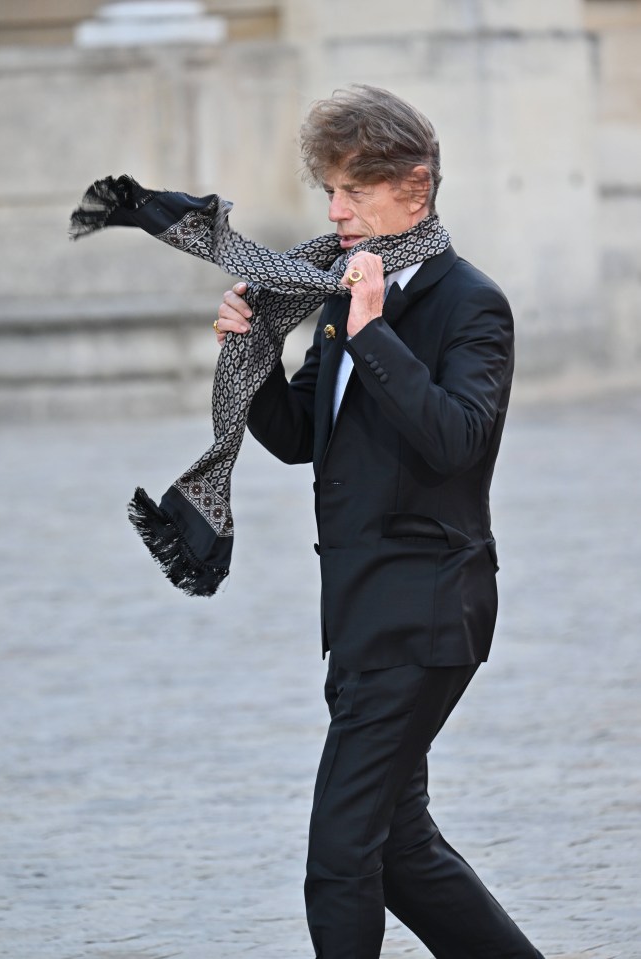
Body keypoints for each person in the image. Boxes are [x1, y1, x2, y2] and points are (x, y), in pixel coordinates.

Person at [215, 85, 544, 959]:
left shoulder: (471, 304)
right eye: (329, 190)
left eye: (355, 189)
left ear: (417, 186)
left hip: (429, 610)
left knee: (340, 856)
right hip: (360, 614)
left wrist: (372, 333)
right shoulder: (343, 293)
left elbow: (457, 441)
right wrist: (251, 350)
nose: (336, 209)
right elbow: (298, 440)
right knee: (402, 850)